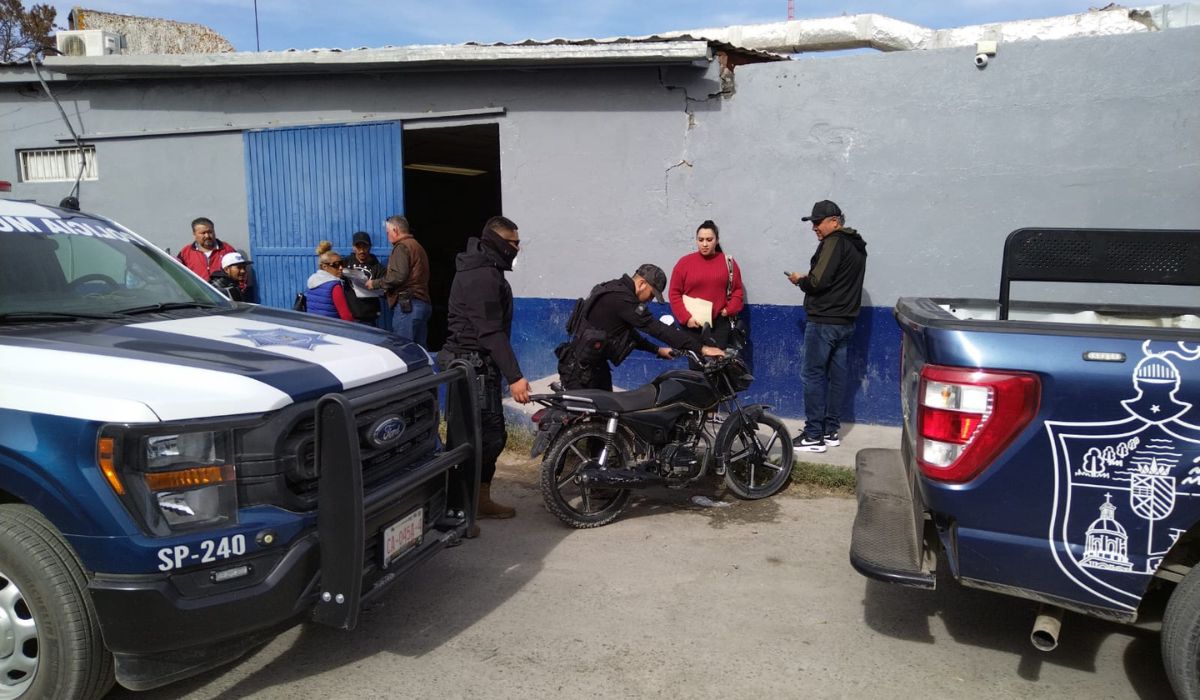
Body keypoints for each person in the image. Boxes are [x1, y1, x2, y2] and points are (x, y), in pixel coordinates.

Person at [438, 215, 529, 533]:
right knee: (474, 439)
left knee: (488, 437)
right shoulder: (481, 276)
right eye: (514, 243)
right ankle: (457, 508)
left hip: (479, 366)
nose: (517, 249)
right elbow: (490, 331)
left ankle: (478, 499)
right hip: (470, 367)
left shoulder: (487, 269)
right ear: (498, 242)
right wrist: (515, 376)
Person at [557, 263, 724, 391]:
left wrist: (657, 350)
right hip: (580, 372)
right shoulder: (623, 299)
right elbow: (656, 328)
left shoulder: (614, 288)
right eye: (651, 294)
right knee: (584, 422)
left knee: (604, 420)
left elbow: (628, 335)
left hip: (592, 368)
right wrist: (702, 349)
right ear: (642, 283)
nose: (650, 300)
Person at [786, 200, 867, 454]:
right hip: (845, 322)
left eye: (817, 222)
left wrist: (801, 280)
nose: (814, 227)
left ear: (835, 221)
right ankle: (830, 431)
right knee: (836, 378)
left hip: (824, 322)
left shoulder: (834, 242)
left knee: (812, 375)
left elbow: (818, 282)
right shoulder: (857, 246)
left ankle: (813, 435)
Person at [668, 220, 745, 350]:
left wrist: (728, 310)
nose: (704, 244)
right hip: (692, 326)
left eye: (709, 240)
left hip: (719, 326)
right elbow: (674, 293)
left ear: (717, 240)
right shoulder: (684, 263)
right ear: (696, 240)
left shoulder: (729, 263)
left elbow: (737, 290)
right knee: (695, 362)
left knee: (718, 360)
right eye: (701, 240)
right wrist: (686, 318)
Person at [367, 216, 431, 344]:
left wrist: (375, 283)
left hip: (408, 306)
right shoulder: (416, 245)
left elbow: (398, 276)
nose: (387, 236)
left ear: (395, 230)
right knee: (419, 350)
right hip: (421, 303)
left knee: (403, 348)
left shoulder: (401, 247)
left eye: (388, 232)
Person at [344, 231, 385, 325]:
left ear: (370, 247)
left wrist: (375, 285)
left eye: (365, 247)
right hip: (349, 317)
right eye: (358, 247)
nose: (362, 251)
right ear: (353, 247)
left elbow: (385, 287)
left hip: (369, 318)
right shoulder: (345, 262)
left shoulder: (378, 267)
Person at [306, 241, 355, 322]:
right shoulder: (335, 287)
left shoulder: (312, 281)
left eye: (341, 263)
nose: (340, 268)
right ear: (324, 266)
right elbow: (346, 316)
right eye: (336, 264)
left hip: (314, 326)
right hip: (332, 327)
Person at [177, 217, 236, 281]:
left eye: (210, 232)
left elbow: (240, 273)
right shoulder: (186, 252)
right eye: (203, 233)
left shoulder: (227, 250)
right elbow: (177, 274)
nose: (207, 236)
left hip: (222, 287)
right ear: (194, 234)